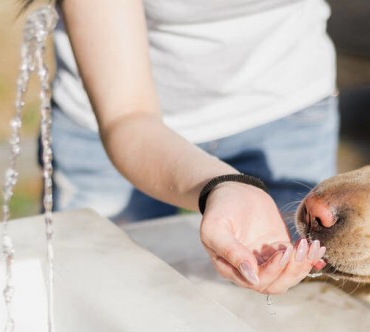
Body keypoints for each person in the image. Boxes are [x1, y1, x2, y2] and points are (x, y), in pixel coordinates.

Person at [30, 0, 337, 293]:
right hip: (114, 125)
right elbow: (128, 116)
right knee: (105, 292)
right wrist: (223, 184)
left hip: (289, 115)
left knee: (289, 307)